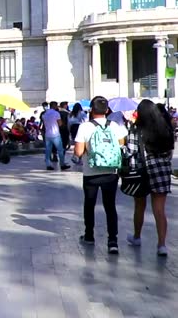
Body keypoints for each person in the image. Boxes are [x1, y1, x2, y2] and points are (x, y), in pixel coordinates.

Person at [73, 96, 126, 255]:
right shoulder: (115, 126)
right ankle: (112, 241)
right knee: (110, 206)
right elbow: (121, 144)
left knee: (89, 204)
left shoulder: (85, 127)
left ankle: (89, 235)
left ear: (91, 110)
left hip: (91, 173)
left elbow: (78, 152)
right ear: (107, 110)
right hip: (110, 172)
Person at [126, 100, 174, 257]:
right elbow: (169, 152)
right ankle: (161, 245)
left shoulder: (136, 130)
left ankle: (137, 236)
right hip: (161, 171)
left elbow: (130, 153)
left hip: (142, 172)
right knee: (160, 209)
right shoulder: (165, 129)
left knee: (139, 205)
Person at [42, 101, 70, 171]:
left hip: (47, 134)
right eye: (56, 105)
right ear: (54, 106)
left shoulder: (44, 114)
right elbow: (60, 124)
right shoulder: (56, 113)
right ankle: (62, 164)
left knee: (48, 150)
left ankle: (48, 165)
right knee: (60, 150)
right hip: (55, 134)